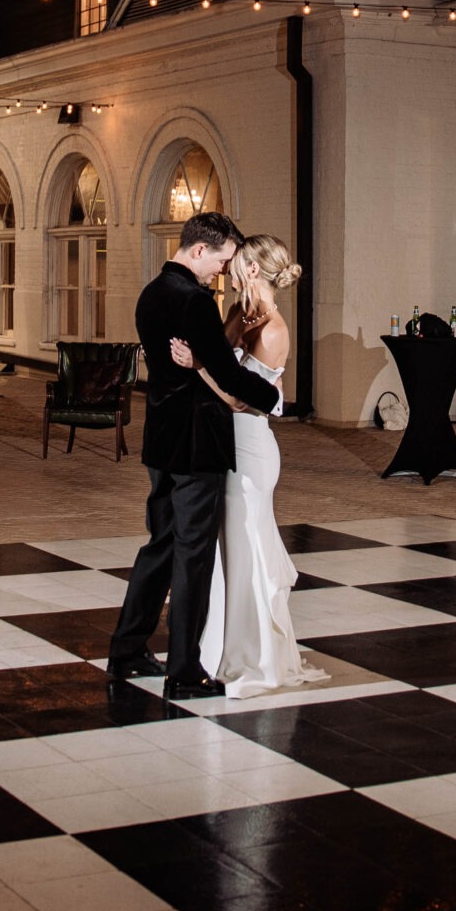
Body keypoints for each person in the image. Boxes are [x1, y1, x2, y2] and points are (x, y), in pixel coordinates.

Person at [107, 211, 282, 698]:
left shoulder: (150, 294)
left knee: (160, 546)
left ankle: (126, 649)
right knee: (192, 556)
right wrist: (276, 398)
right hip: (197, 443)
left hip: (161, 440)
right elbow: (227, 375)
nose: (222, 272)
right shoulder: (195, 303)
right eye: (222, 261)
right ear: (200, 250)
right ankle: (183, 671)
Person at [172, 234, 327, 699]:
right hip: (222, 443)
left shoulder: (274, 329)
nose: (228, 270)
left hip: (251, 450)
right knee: (226, 551)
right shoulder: (239, 313)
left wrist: (196, 367)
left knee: (249, 549)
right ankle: (218, 648)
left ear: (253, 270)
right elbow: (218, 359)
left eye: (235, 263)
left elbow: (243, 398)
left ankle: (258, 657)